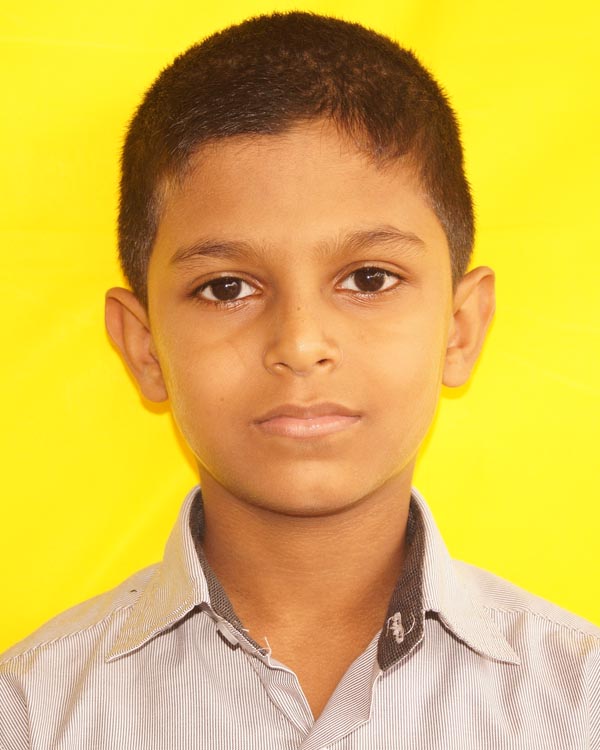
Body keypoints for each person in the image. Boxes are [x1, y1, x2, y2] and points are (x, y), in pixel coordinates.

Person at [1, 10, 598, 749]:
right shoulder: (31, 711)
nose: (301, 344)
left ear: (461, 328)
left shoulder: (581, 703)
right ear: (145, 348)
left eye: (369, 278)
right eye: (226, 288)